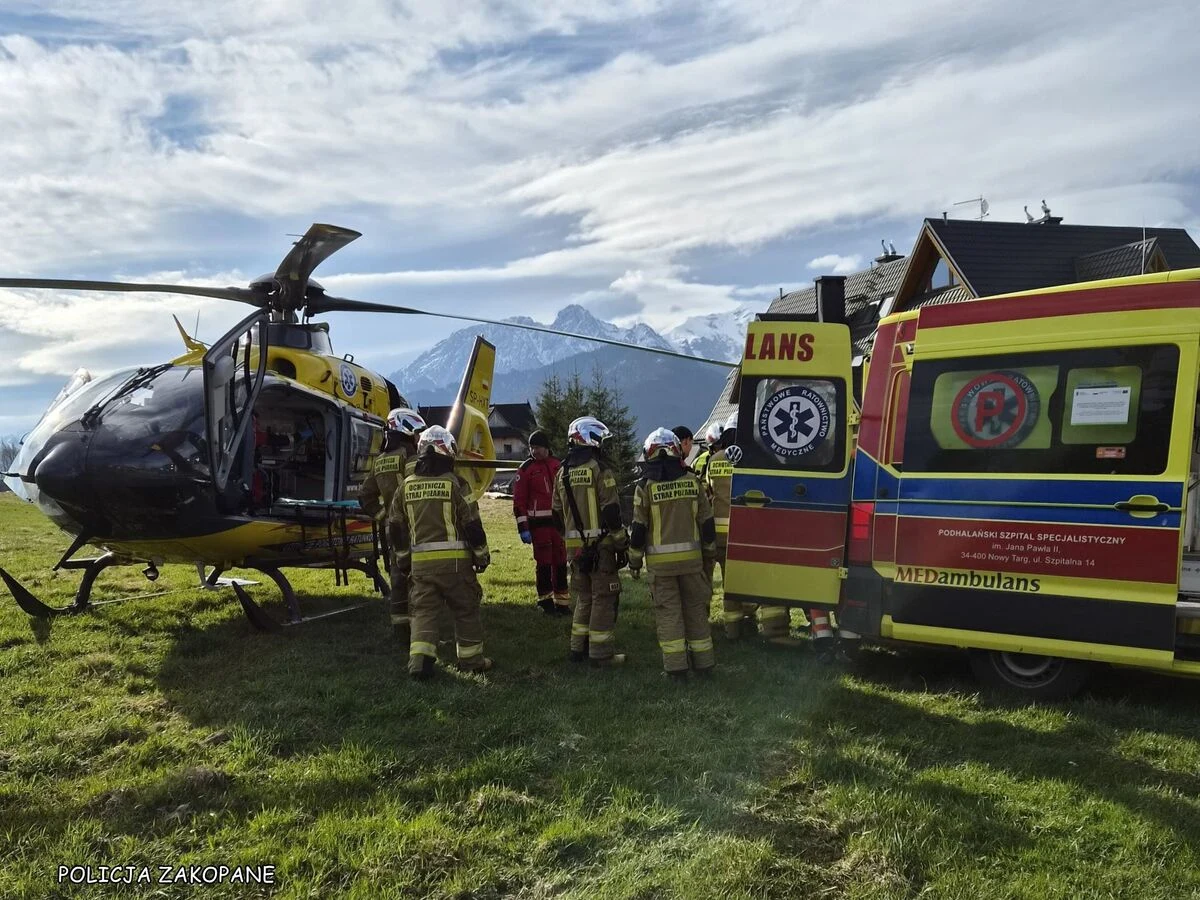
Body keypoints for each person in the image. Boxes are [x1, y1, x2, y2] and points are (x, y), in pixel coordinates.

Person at [391, 425, 492, 680]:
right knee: (465, 609)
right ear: (448, 452)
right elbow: (472, 525)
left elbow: (395, 527)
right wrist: (481, 555)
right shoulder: (457, 484)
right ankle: (471, 661)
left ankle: (419, 662)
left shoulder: (406, 486)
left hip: (421, 568)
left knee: (424, 612)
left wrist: (403, 560)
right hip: (456, 567)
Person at [628, 428, 717, 681]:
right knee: (695, 611)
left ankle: (676, 669)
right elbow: (707, 523)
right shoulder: (692, 481)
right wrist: (709, 553)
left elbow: (638, 530)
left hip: (661, 568)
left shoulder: (645, 487)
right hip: (692, 563)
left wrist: (634, 562)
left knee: (669, 615)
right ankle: (704, 664)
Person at [552, 416, 629, 669]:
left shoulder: (562, 472)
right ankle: (600, 653)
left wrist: (570, 539)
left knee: (583, 598)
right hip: (600, 547)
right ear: (591, 439)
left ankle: (577, 649)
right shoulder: (599, 469)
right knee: (603, 598)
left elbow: (555, 514)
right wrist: (620, 542)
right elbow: (611, 511)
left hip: (574, 550)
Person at [358, 407, 426, 641]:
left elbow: (365, 496)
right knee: (420, 578)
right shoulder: (410, 458)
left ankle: (400, 630)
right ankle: (422, 629)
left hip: (392, 529)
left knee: (398, 578)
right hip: (416, 527)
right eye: (417, 432)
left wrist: (382, 517)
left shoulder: (380, 461)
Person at [512, 429, 570, 615]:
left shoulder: (558, 465)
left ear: (546, 448)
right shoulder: (526, 470)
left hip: (558, 525)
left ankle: (562, 602)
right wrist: (523, 528)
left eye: (537, 447)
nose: (534, 451)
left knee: (561, 563)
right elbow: (519, 502)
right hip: (539, 526)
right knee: (544, 563)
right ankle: (545, 602)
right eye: (531, 447)